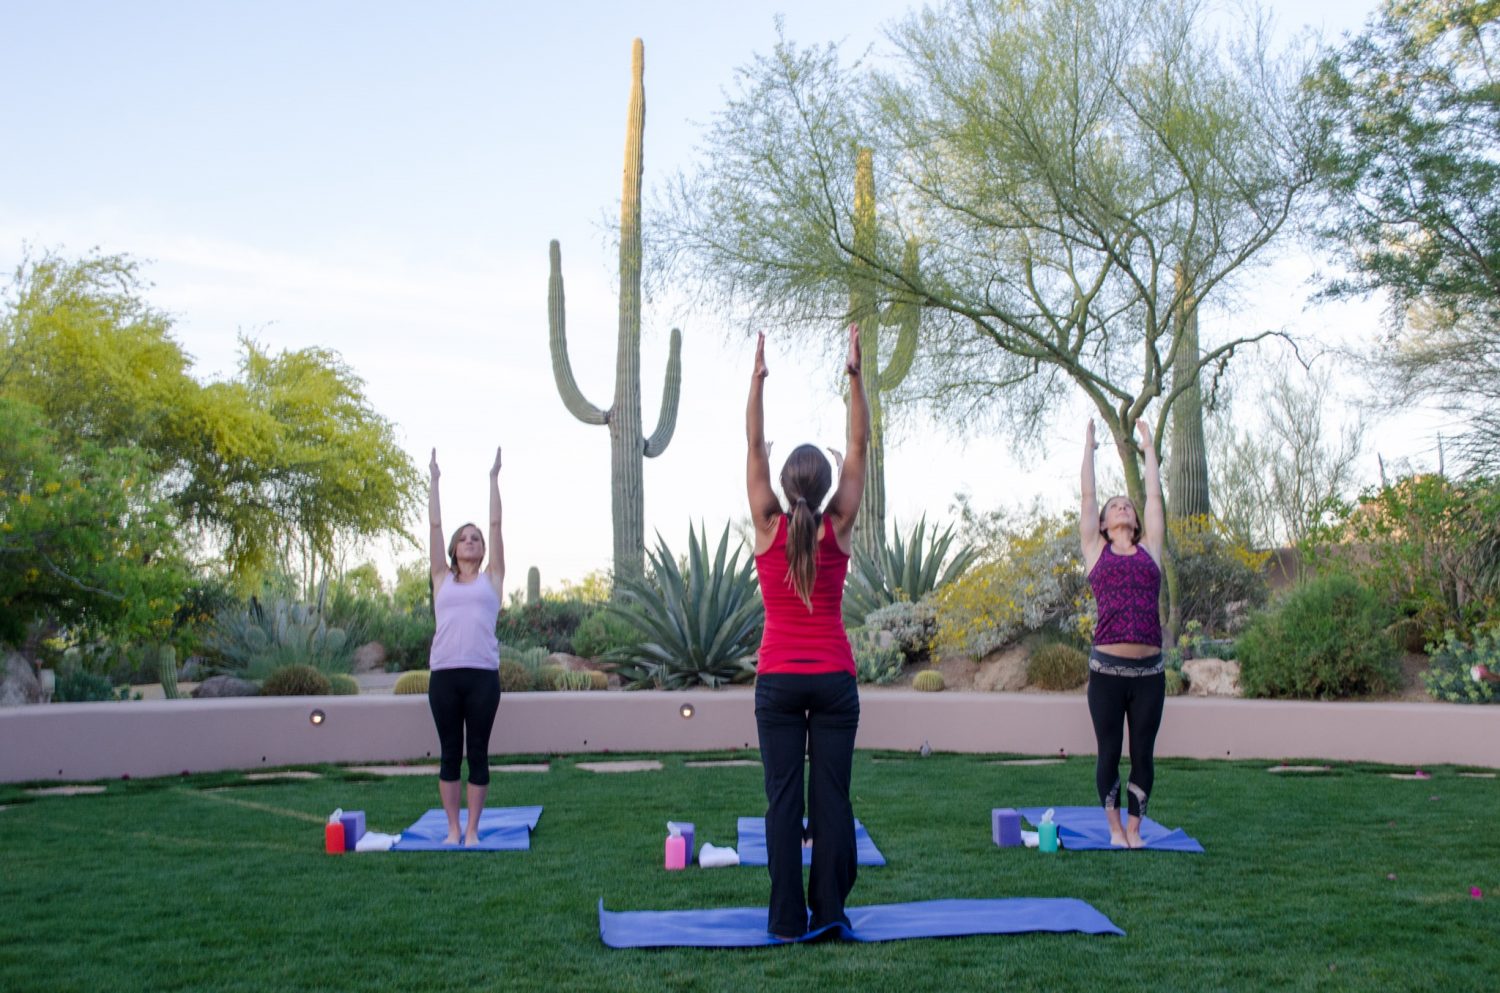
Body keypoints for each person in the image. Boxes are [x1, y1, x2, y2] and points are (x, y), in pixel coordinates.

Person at [746, 325, 869, 939]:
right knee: (831, 801)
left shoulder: (767, 527)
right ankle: (830, 912)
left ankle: (785, 917)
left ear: (787, 486)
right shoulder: (837, 529)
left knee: (783, 803)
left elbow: (753, 449)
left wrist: (758, 380)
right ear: (822, 487)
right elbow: (859, 445)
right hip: (833, 682)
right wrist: (854, 375)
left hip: (778, 683)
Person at [1079, 418, 1166, 849]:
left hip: (1150, 673)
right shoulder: (1096, 552)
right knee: (1110, 752)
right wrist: (1089, 448)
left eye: (1126, 506)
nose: (1123, 508)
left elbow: (1153, 496)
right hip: (1107, 673)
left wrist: (1149, 450)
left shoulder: (1151, 550)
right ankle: (1114, 829)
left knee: (1144, 754)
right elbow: (1088, 495)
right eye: (1115, 506)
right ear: (1101, 522)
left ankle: (1135, 830)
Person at [426, 446, 505, 846]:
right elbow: (436, 525)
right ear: (455, 549)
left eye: (475, 539)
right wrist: (435, 481)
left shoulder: (493, 577)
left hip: (482, 676)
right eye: (464, 538)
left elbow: (495, 523)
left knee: (477, 752)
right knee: (448, 753)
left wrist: (493, 479)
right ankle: (452, 829)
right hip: (444, 675)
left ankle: (472, 830)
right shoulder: (441, 577)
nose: (471, 541)